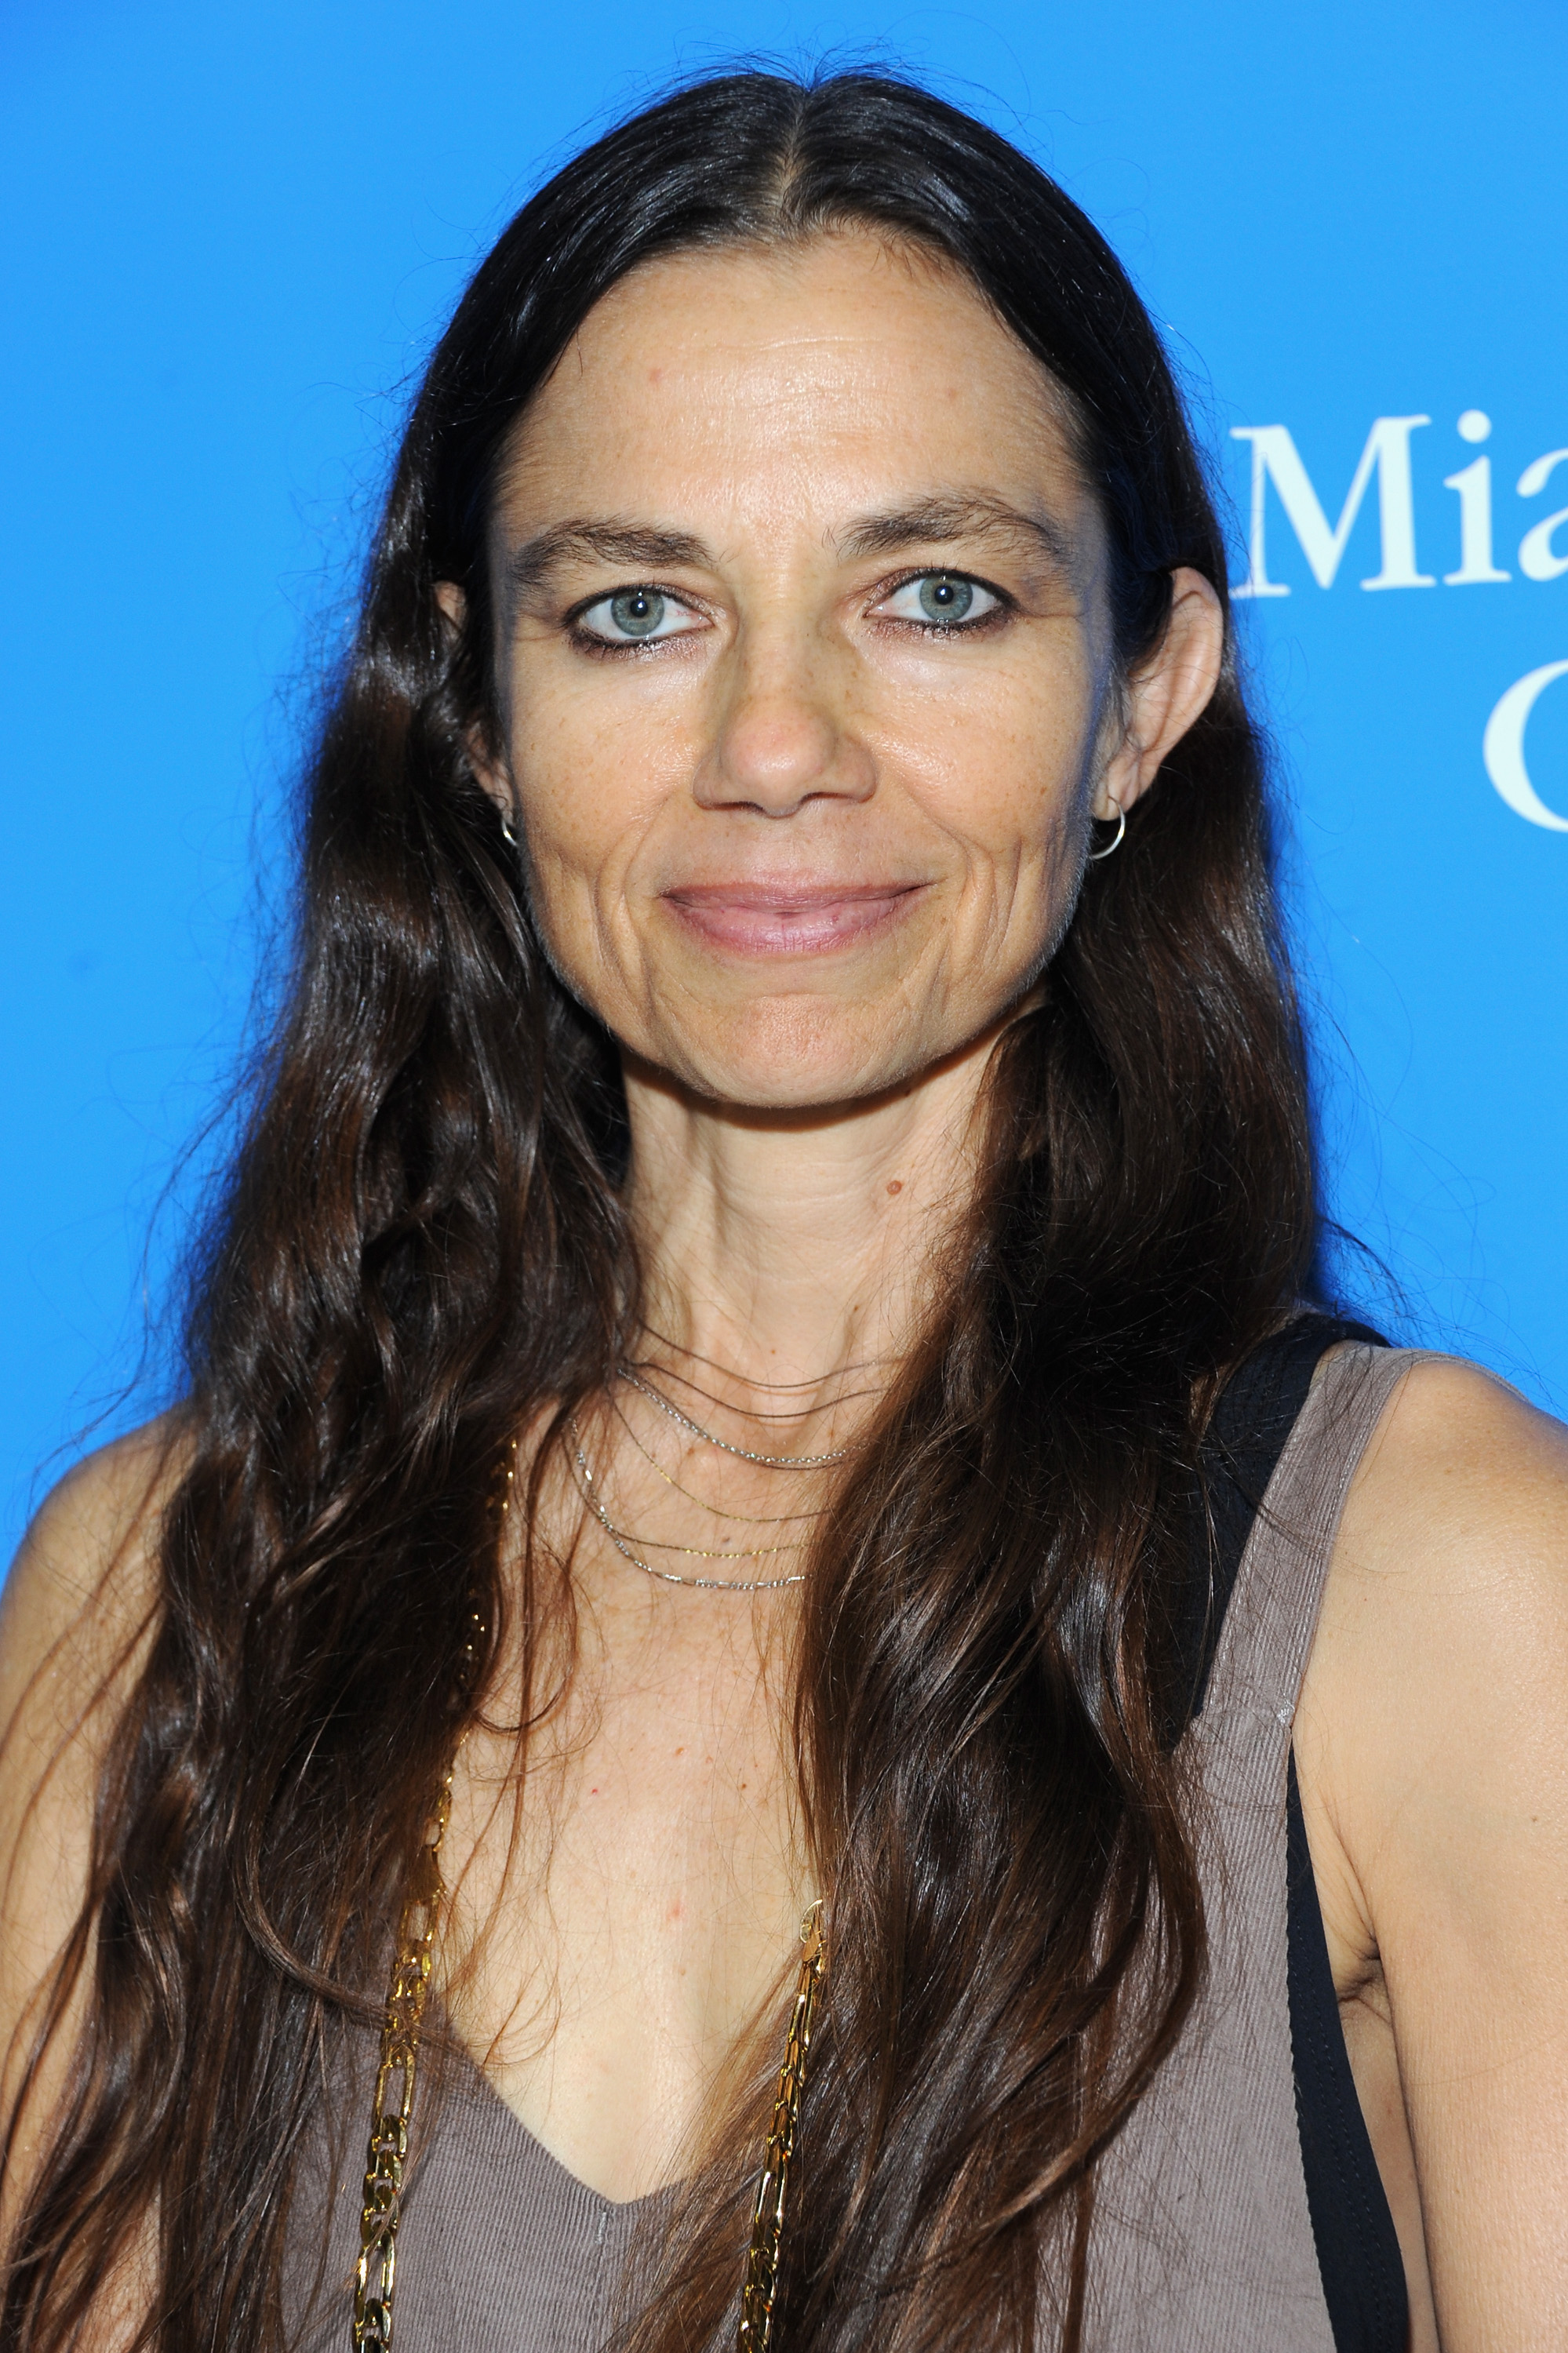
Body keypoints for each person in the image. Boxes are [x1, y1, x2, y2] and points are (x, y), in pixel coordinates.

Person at [2, 67, 1566, 2353]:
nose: (775, 746)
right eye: (637, 612)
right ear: (477, 724)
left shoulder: (1438, 1590)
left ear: (1142, 703)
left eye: (936, 596)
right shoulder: (154, 1600)